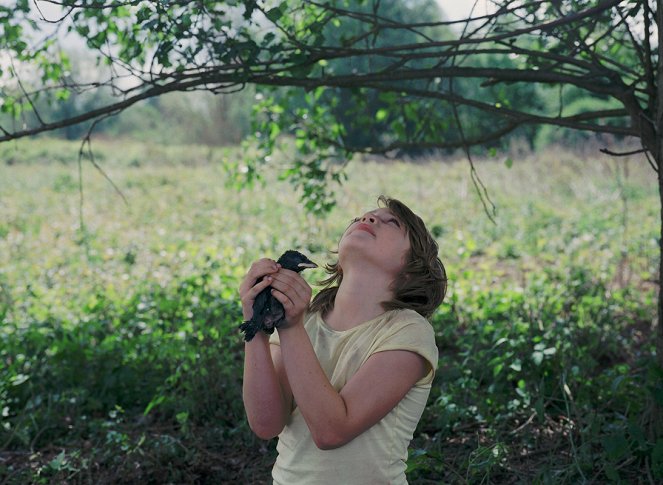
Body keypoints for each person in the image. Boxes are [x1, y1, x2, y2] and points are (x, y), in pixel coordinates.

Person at [240, 195, 447, 484]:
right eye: (361, 217)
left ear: (413, 268)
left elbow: (332, 431)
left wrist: (289, 328)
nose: (368, 219)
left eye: (392, 222)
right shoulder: (306, 320)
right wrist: (257, 326)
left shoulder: (408, 331)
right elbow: (266, 423)